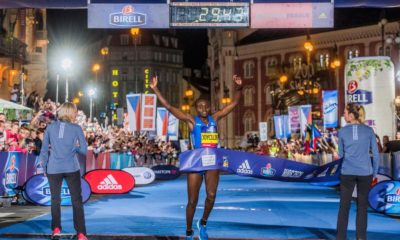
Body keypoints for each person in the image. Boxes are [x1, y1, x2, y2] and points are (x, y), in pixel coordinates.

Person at [150, 75, 242, 240]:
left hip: (212, 161)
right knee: (192, 201)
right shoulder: (192, 120)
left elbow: (234, 104)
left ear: (209, 107)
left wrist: (239, 87)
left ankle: (203, 223)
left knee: (211, 195)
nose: (203, 108)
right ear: (196, 109)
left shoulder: (216, 117)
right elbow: (170, 107)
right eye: (200, 106)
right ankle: (188, 231)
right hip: (196, 163)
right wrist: (155, 89)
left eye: (206, 106)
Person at [39, 102, 88, 240]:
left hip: (53, 168)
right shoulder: (76, 128)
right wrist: (75, 148)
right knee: (77, 201)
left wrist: (43, 167)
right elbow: (84, 150)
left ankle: (56, 228)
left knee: (55, 200)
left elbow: (43, 151)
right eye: (75, 111)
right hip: (71, 167)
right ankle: (81, 233)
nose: (76, 113)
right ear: (70, 112)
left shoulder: (49, 127)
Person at [336, 103, 379, 240]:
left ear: (351, 115)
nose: (343, 114)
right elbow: (376, 154)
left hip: (347, 172)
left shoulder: (342, 132)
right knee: (362, 207)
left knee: (344, 207)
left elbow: (341, 155)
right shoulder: (369, 131)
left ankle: (341, 237)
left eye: (345, 112)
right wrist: (375, 172)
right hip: (365, 172)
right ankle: (361, 237)